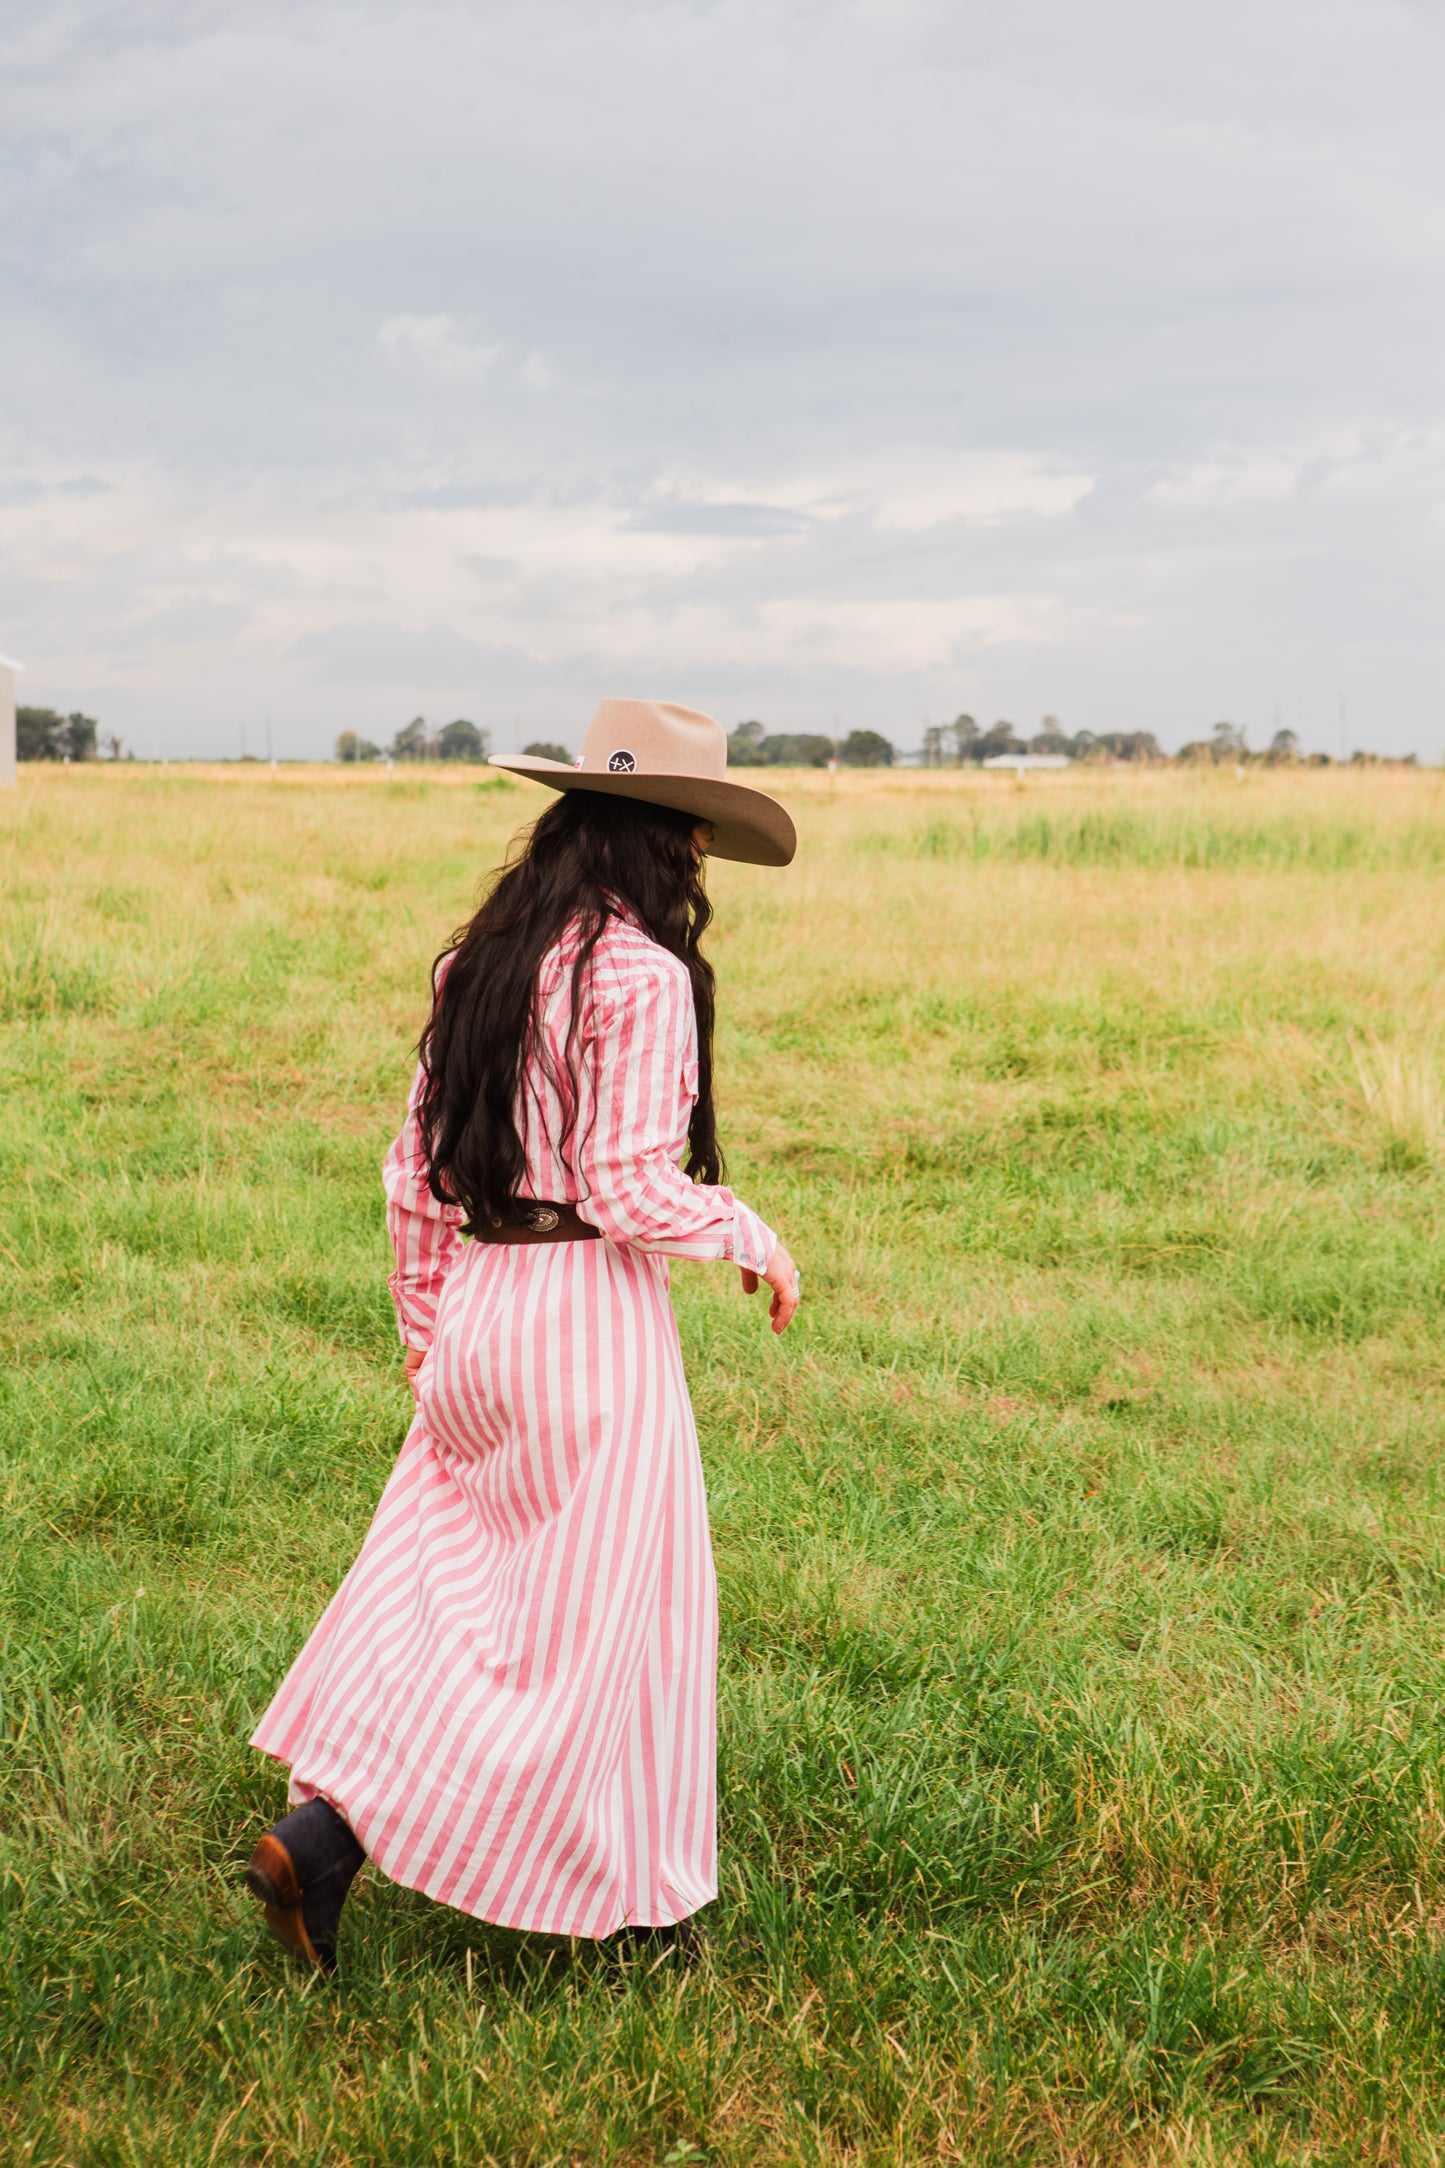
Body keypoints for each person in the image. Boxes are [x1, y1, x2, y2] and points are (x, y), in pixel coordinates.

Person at [245, 699, 800, 1972]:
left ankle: (324, 1834)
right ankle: (634, 1904)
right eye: (695, 841)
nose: (698, 867)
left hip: (484, 1300)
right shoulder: (639, 975)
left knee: (450, 1596)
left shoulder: (483, 963)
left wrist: (430, 1330)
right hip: (585, 1324)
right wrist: (748, 1231)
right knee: (609, 1621)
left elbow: (413, 1174)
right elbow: (622, 1185)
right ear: (668, 842)